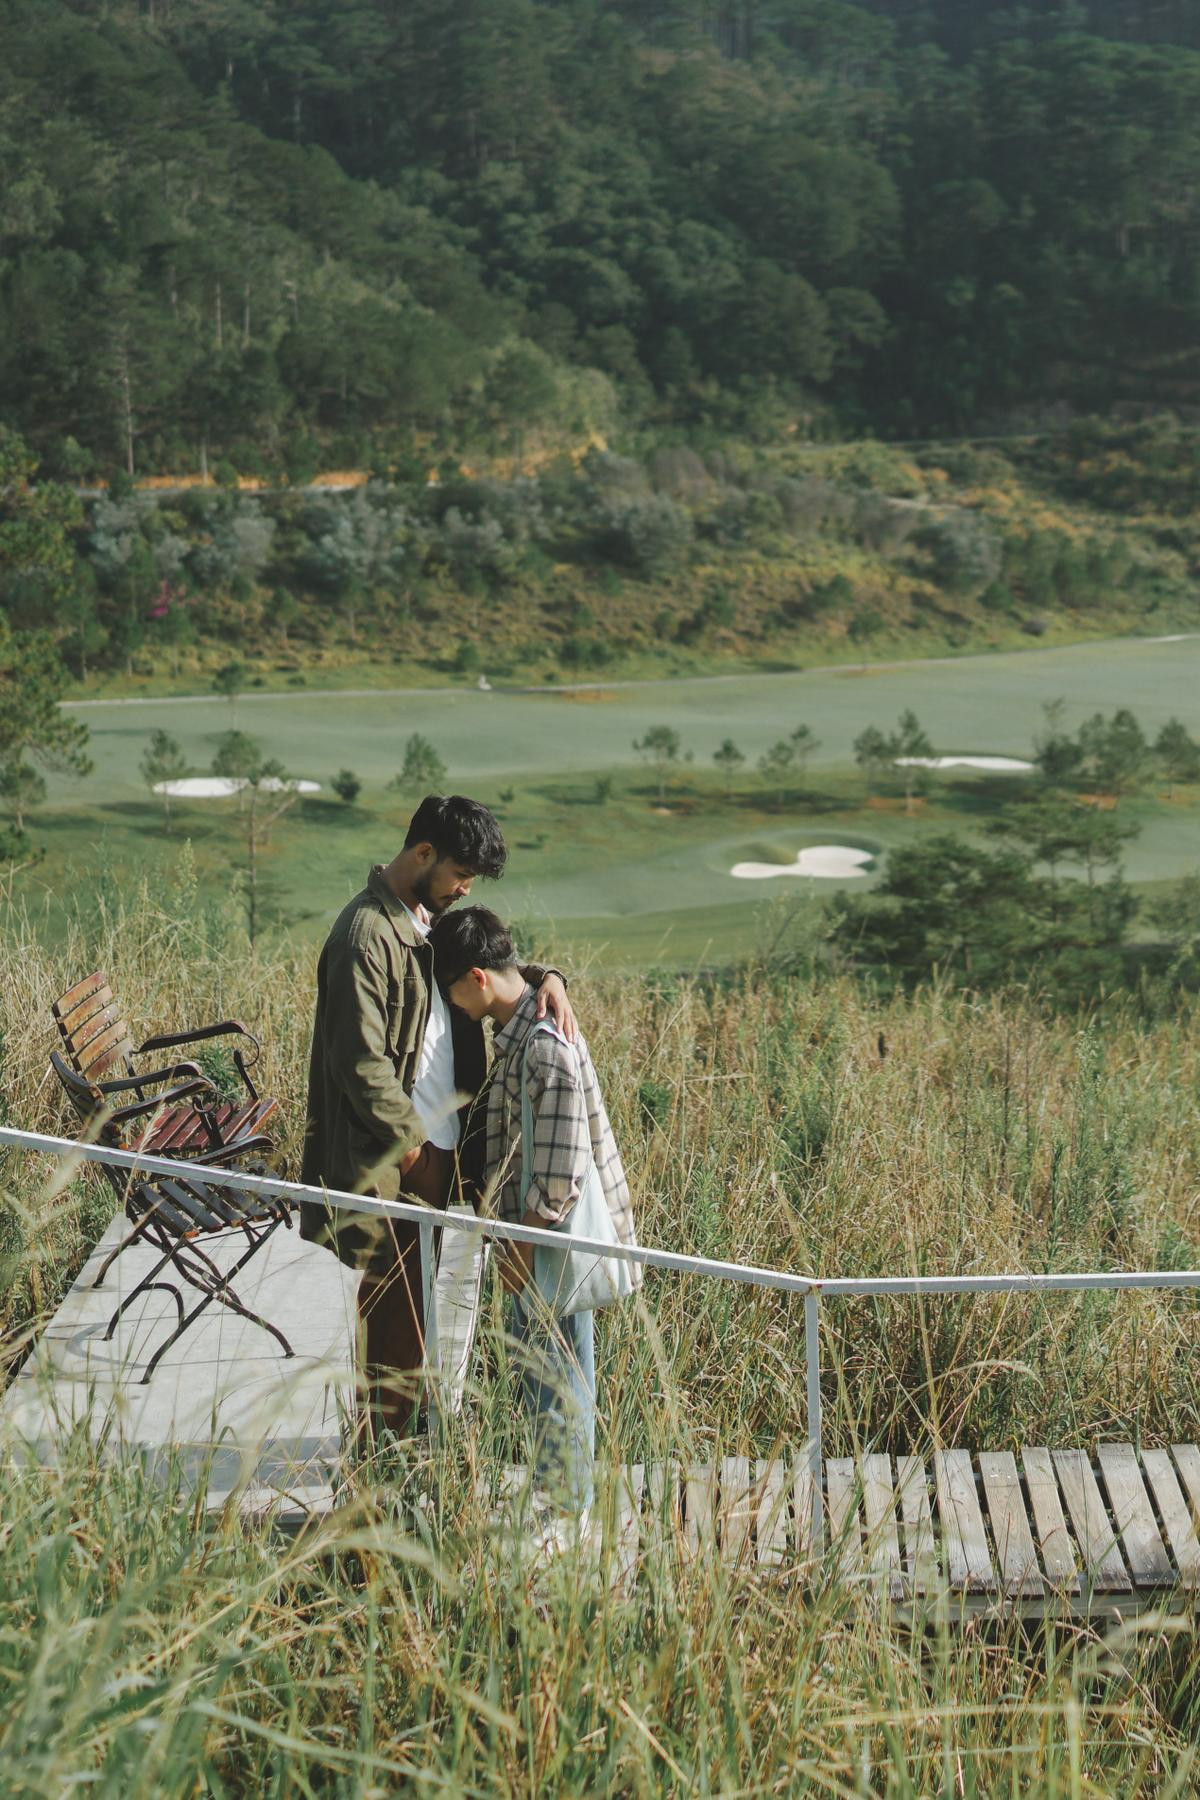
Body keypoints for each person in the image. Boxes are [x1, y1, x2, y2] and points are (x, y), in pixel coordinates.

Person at [299, 794, 574, 1436]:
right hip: (397, 1161)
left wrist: (546, 977)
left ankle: (410, 1440)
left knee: (421, 1313)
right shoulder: (366, 935)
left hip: (446, 1151)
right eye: (458, 875)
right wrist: (419, 1152)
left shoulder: (420, 915)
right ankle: (383, 1464)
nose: (463, 889)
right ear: (423, 854)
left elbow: (483, 963)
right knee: (394, 1315)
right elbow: (358, 1064)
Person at [431, 905, 640, 1521]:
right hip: (534, 1239)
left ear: (477, 977)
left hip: (544, 1243)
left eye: (451, 993)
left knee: (556, 1377)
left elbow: (558, 1176)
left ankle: (568, 1509)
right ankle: (564, 1496)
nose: (452, 1007)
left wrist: (519, 1253)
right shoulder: (527, 1026)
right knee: (555, 1371)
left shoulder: (543, 1048)